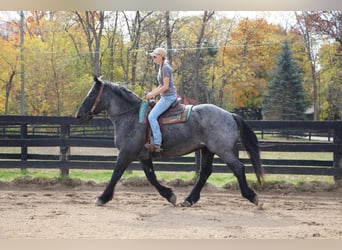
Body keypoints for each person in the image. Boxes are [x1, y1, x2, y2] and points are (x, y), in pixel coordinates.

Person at [145, 47, 177, 152]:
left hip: (168, 97)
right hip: (165, 96)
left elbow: (166, 86)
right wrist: (151, 93)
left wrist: (152, 94)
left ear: (161, 56)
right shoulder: (161, 67)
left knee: (152, 116)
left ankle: (157, 143)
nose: (153, 58)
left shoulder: (165, 68)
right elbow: (161, 84)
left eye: (155, 56)